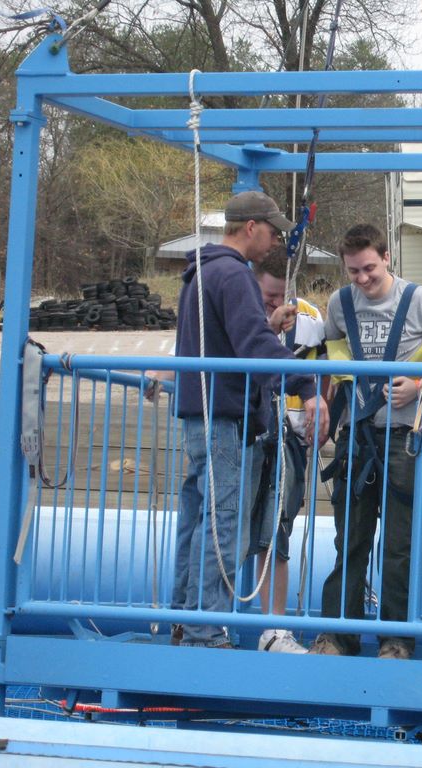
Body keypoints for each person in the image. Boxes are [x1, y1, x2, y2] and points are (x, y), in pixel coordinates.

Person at [172, 190, 328, 649]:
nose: (277, 239)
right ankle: (205, 631)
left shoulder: (201, 272)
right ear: (251, 227)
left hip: (201, 414)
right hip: (226, 417)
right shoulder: (234, 273)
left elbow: (230, 340)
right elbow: (253, 349)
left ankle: (184, 618)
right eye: (273, 231)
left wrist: (267, 327)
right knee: (222, 523)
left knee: (198, 519)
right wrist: (306, 385)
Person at [311, 223, 422, 660]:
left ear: (387, 258)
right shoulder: (340, 305)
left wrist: (419, 385)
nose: (362, 279)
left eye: (370, 269)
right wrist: (321, 404)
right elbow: (330, 356)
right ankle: (338, 636)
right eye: (353, 271)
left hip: (406, 438)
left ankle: (396, 640)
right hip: (357, 438)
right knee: (350, 540)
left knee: (399, 545)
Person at [249, 246, 327, 654]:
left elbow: (325, 374)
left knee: (276, 531)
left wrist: (319, 422)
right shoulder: (243, 315)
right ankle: (210, 623)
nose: (278, 304)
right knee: (231, 527)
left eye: (283, 296)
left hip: (289, 440)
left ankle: (274, 629)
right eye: (269, 297)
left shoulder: (312, 320)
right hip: (248, 433)